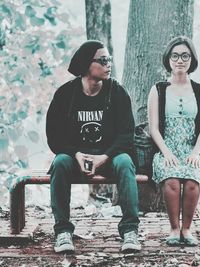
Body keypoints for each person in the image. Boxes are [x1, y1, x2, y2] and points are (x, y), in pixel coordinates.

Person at [46, 40, 141, 253]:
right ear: (87, 65)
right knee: (60, 162)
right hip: (76, 157)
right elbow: (54, 137)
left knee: (125, 162)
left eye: (109, 59)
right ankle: (63, 232)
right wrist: (76, 154)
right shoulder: (65, 95)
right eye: (103, 60)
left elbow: (127, 135)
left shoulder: (116, 92)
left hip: (108, 157)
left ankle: (130, 231)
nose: (109, 64)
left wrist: (105, 156)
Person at [148, 36, 200, 246]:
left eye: (185, 55)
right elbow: (153, 128)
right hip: (166, 148)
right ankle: (174, 230)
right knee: (172, 181)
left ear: (191, 59)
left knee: (193, 181)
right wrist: (166, 153)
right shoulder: (158, 89)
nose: (180, 60)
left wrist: (195, 153)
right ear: (168, 59)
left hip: (193, 148)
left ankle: (187, 229)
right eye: (175, 55)